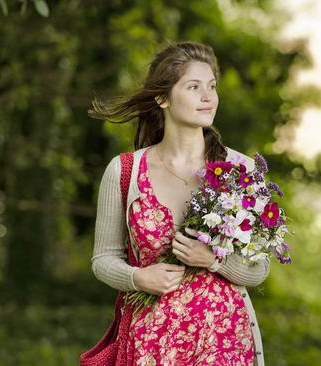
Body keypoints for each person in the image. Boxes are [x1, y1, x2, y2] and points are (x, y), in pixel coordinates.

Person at [90, 41, 268, 365]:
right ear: (163, 98)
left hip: (223, 341)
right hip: (150, 343)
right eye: (193, 86)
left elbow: (260, 269)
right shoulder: (125, 171)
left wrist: (214, 260)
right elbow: (102, 259)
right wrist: (137, 278)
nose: (208, 96)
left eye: (212, 87)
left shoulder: (241, 172)